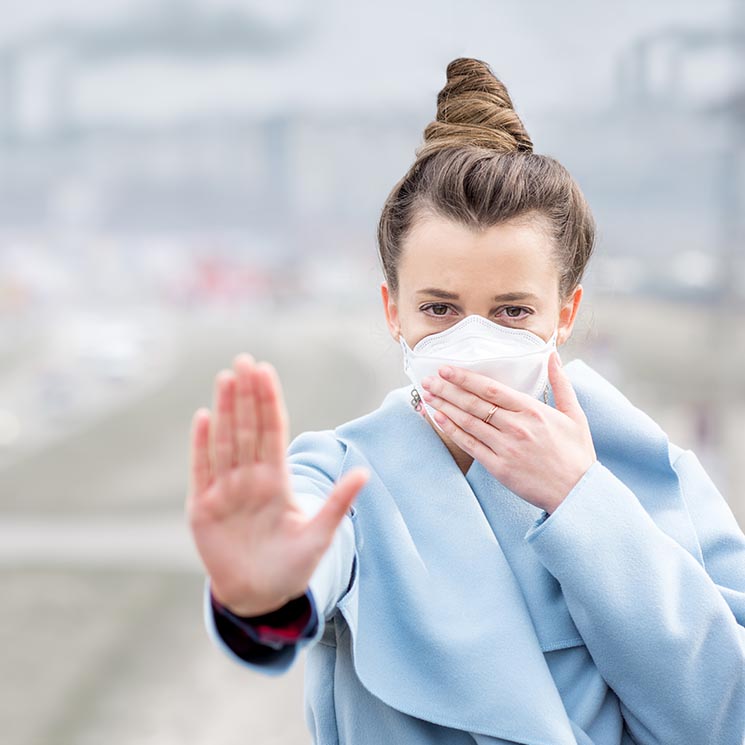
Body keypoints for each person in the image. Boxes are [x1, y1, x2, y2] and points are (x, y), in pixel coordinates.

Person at [185, 58, 745, 745]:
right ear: (392, 310)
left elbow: (724, 713)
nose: (473, 340)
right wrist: (260, 596)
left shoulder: (658, 472)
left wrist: (582, 503)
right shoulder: (344, 476)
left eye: (511, 310)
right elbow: (308, 546)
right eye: (440, 307)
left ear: (565, 313)